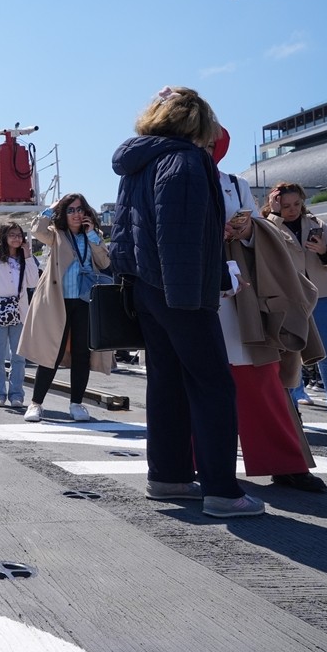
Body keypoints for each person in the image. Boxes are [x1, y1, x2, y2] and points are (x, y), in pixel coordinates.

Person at [111, 85, 264, 518]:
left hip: (145, 288)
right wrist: (197, 296)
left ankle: (169, 475)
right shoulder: (186, 161)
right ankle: (221, 490)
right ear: (198, 123)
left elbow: (126, 235)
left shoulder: (138, 163)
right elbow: (180, 236)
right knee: (213, 385)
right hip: (180, 291)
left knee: (166, 382)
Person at [209, 127, 326, 492]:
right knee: (195, 382)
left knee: (260, 377)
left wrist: (245, 229)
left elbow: (257, 229)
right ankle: (191, 465)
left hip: (237, 293)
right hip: (191, 290)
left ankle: (284, 462)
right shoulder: (163, 175)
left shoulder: (232, 182)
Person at [263, 182, 327, 432]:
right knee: (289, 355)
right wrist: (274, 216)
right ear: (275, 203)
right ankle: (292, 406)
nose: (292, 210)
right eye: (285, 205)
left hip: (322, 296)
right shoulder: (268, 224)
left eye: (296, 204)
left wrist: (324, 251)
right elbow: (264, 250)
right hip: (286, 298)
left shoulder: (317, 223)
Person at [16, 193, 111, 423]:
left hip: (84, 301)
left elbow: (105, 262)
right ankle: (36, 403)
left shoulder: (93, 236)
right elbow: (37, 230)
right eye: (71, 210)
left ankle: (76, 404)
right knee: (52, 353)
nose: (76, 214)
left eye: (80, 209)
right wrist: (52, 208)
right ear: (64, 214)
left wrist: (91, 235)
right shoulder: (57, 235)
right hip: (57, 300)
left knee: (81, 353)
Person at [0, 223, 39, 409]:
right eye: (12, 235)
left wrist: (28, 256)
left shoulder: (25, 259)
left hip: (19, 312)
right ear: (4, 237)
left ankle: (16, 394)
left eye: (19, 235)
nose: (16, 238)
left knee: (19, 357)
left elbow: (33, 281)